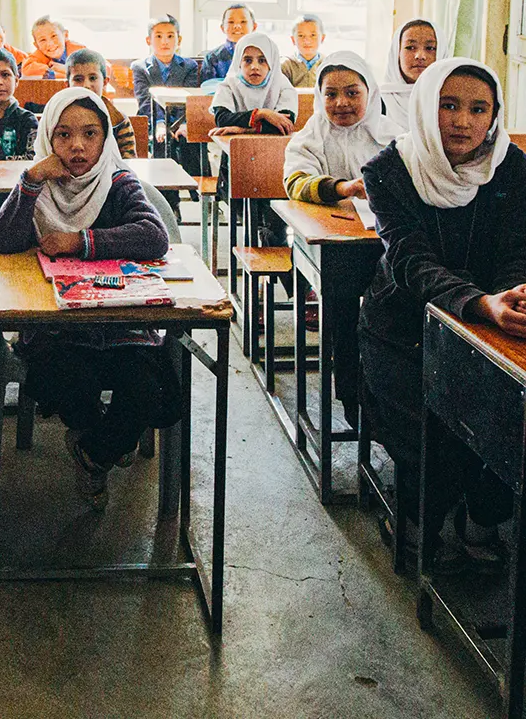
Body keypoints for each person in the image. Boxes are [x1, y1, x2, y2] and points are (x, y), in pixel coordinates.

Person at [360, 60, 526, 567]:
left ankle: (483, 518)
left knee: (507, 420)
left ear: (495, 115)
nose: (462, 121)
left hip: (489, 324)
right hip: (402, 330)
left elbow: (517, 250)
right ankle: (415, 519)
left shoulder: (512, 166)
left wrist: (508, 298)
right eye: (447, 105)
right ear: (424, 106)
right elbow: (411, 261)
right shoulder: (388, 170)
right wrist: (481, 304)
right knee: (439, 437)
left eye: (479, 108)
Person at [0, 89, 180, 510]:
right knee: (69, 384)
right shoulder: (38, 183)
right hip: (58, 330)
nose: (77, 146)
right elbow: (2, 241)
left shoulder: (117, 180)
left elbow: (154, 236)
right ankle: (104, 447)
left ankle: (95, 454)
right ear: (47, 139)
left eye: (90, 134)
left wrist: (81, 241)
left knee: (148, 391)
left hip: (121, 326)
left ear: (105, 138)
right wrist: (32, 181)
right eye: (63, 135)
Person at [283, 52, 397, 426]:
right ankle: (351, 395)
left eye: (352, 93)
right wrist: (343, 187)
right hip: (328, 244)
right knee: (343, 310)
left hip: (382, 243)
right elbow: (296, 183)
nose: (341, 103)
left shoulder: (392, 135)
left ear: (370, 92)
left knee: (390, 313)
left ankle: (384, 394)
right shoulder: (310, 137)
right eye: (330, 94)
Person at [211, 30, 297, 245]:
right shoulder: (229, 85)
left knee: (275, 225)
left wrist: (243, 130)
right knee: (254, 220)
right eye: (247, 60)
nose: (254, 67)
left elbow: (283, 125)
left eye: (262, 61)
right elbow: (222, 118)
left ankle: (270, 245)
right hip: (235, 169)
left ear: (272, 63)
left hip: (276, 167)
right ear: (239, 63)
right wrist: (262, 114)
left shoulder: (283, 85)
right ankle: (259, 238)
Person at [132, 15, 202, 159]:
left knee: (190, 139)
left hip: (181, 119)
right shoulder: (140, 67)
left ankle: (197, 180)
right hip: (151, 120)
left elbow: (189, 99)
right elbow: (145, 101)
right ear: (148, 40)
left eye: (170, 36)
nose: (165, 41)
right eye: (158, 36)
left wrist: (183, 123)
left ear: (179, 40)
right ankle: (159, 181)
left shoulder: (189, 67)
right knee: (161, 141)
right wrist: (159, 123)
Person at [64, 48, 137, 159]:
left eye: (93, 78)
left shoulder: (118, 120)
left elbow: (128, 163)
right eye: (78, 79)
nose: (86, 85)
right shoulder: (57, 117)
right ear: (67, 84)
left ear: (105, 82)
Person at [382, 17, 442, 132]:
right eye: (410, 48)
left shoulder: (449, 101)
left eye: (430, 48)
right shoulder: (376, 102)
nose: (420, 56)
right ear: (396, 52)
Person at [201, 4, 257, 82]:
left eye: (243, 22)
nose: (237, 26)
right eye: (231, 22)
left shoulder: (265, 55)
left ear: (254, 27)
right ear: (222, 28)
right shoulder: (212, 58)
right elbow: (209, 87)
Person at [21, 15, 86, 80]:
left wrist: (66, 69)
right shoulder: (38, 55)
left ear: (65, 35)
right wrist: (52, 73)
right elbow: (26, 69)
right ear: (37, 45)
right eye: (42, 40)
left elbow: (90, 70)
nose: (50, 44)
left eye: (54, 36)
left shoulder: (79, 51)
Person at [281, 13, 326, 89]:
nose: (307, 41)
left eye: (313, 35)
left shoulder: (328, 65)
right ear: (293, 39)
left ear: (322, 38)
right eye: (301, 36)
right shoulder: (285, 65)